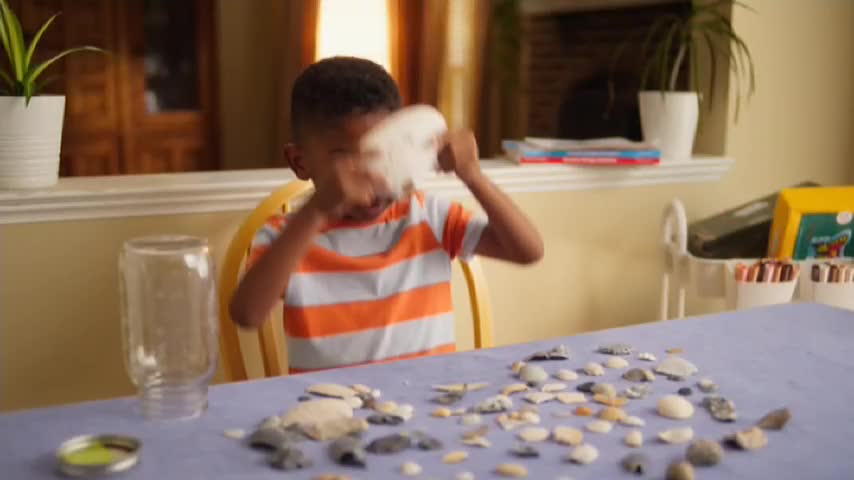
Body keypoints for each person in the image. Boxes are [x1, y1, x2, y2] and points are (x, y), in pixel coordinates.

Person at [230, 56, 543, 373]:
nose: (371, 178)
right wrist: (315, 212)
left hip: (429, 405)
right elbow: (248, 314)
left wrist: (473, 175)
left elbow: (528, 251)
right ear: (299, 162)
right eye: (347, 160)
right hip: (330, 412)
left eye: (383, 157)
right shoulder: (287, 235)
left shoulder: (428, 216)